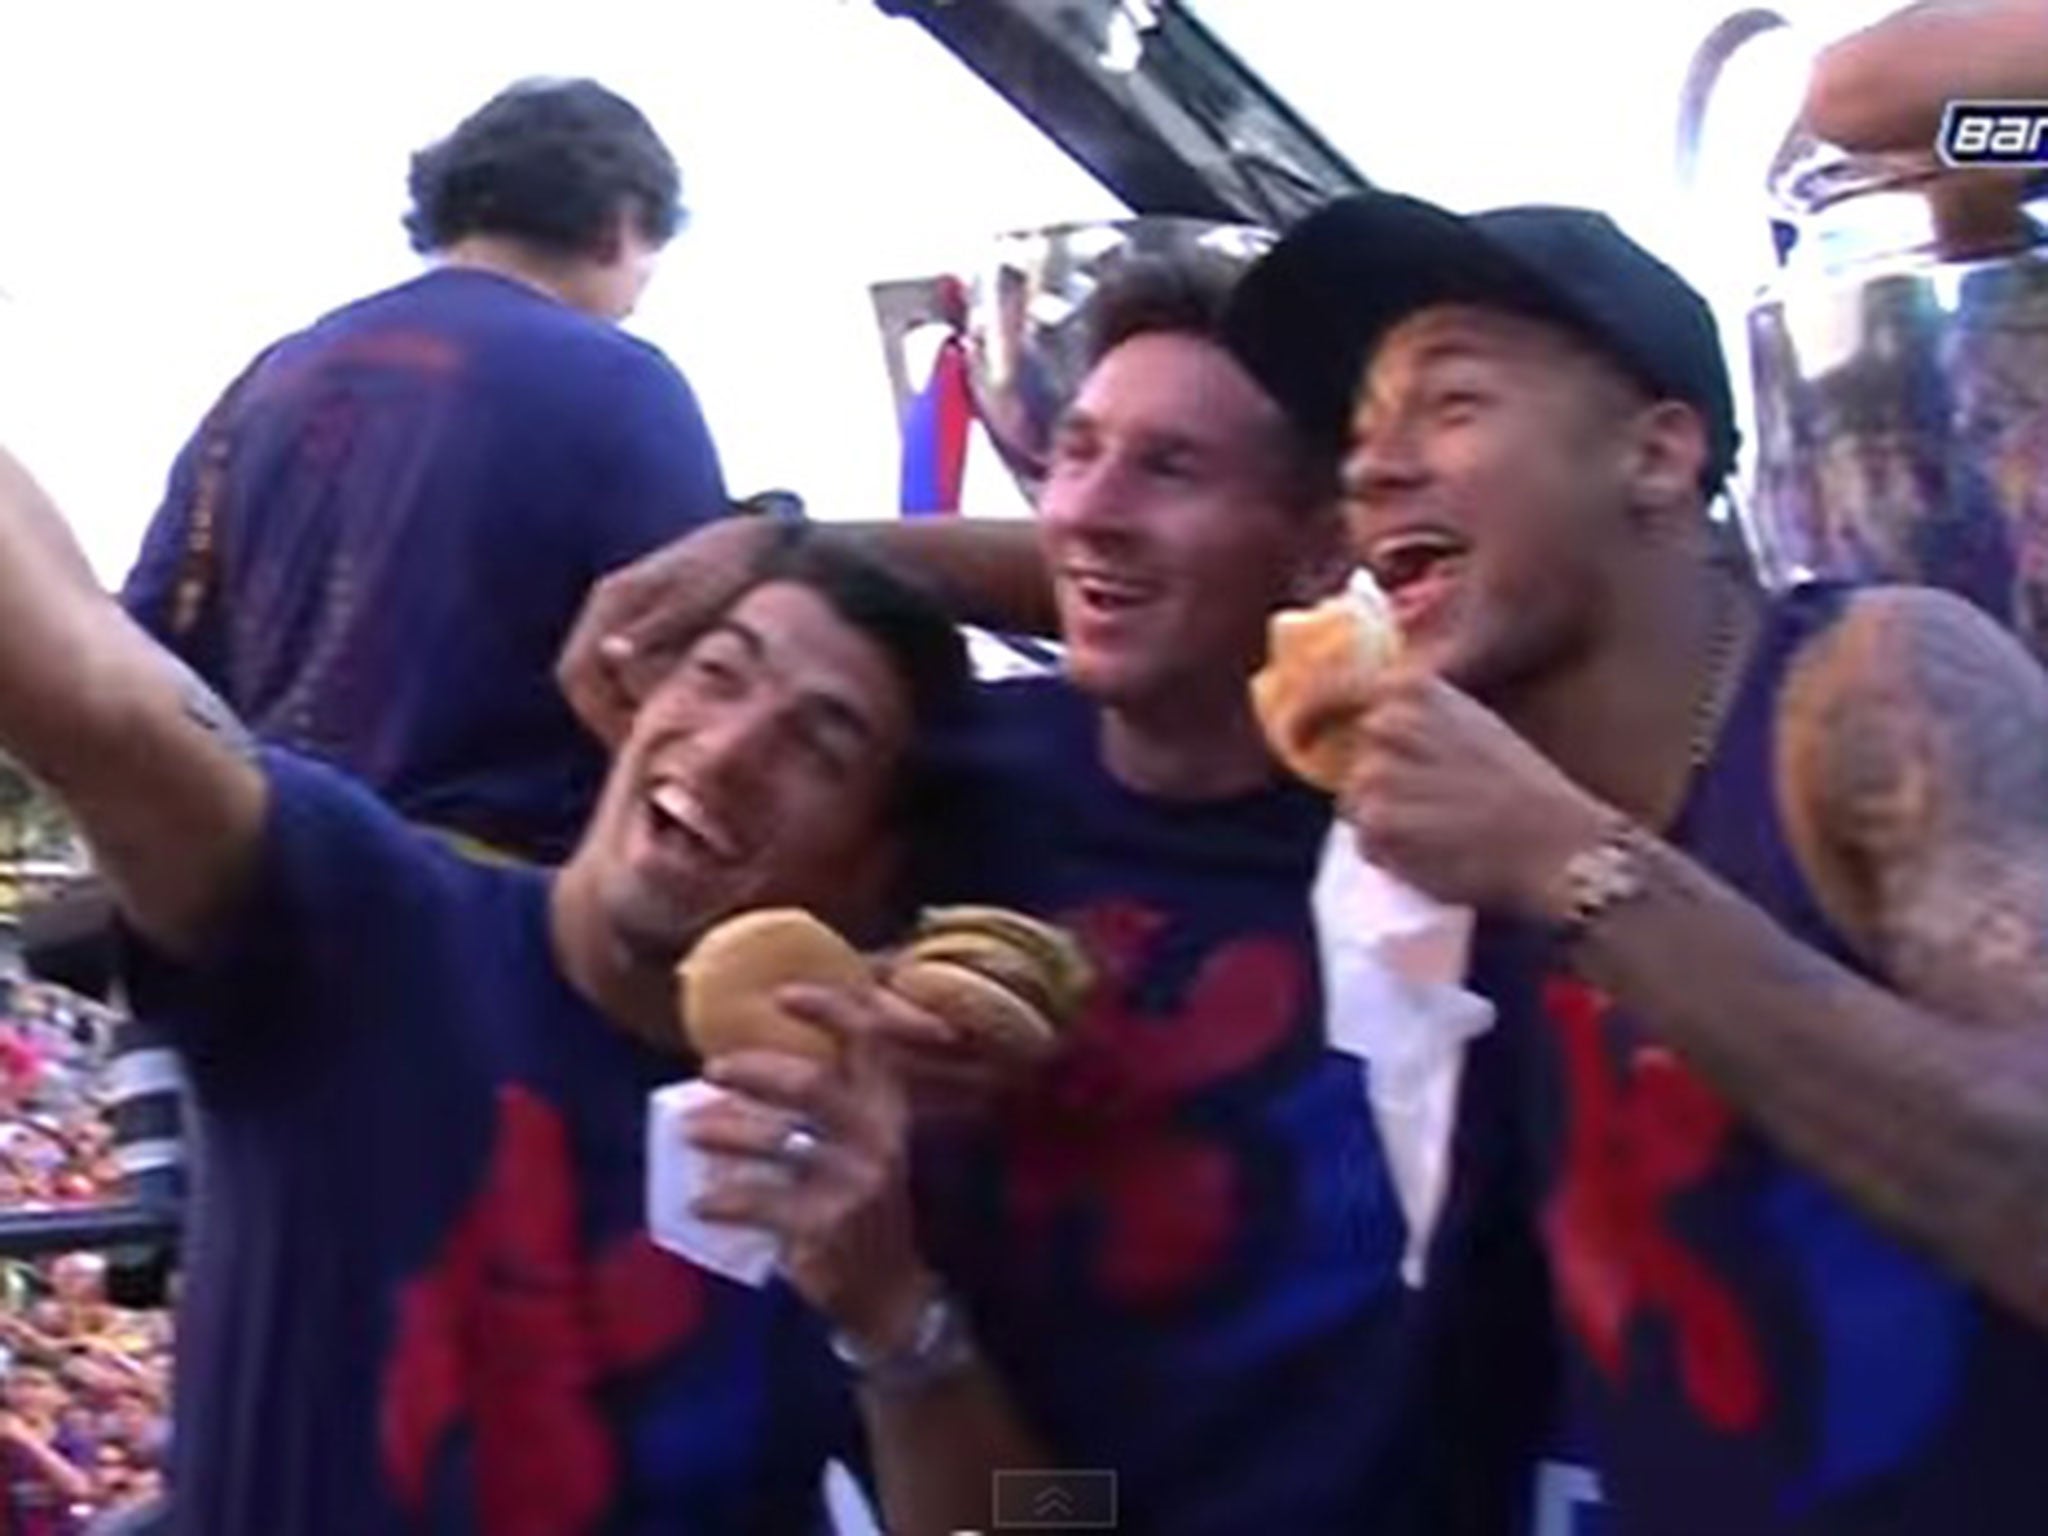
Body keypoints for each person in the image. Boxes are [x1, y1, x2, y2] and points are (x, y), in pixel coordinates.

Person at [563, 255, 1547, 1534]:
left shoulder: (1431, 827)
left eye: (1170, 469)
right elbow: (670, 938)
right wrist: (844, 1035)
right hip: (1018, 1496)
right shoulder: (946, 776)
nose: (1084, 510)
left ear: (1317, 550)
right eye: (1074, 452)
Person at [0, 440, 1056, 1535]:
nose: (733, 746)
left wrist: (899, 1326)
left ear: (876, 871)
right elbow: (91, 692)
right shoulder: (357, 916)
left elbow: (1073, 1514)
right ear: (632, 703)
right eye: (717, 673)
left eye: (820, 747)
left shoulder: (877, 1171)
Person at [1224, 188, 2048, 1533]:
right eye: (1360, 435)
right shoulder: (1428, 823)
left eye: (1450, 403)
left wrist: (1574, 866)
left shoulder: (1873, 691)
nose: (1371, 470)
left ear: (1659, 456)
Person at [122, 76, 731, 866]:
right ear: (622, 224)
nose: (638, 298)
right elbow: (693, 672)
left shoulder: (265, 384)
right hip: (502, 919)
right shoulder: (624, 384)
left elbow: (146, 646)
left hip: (267, 886)